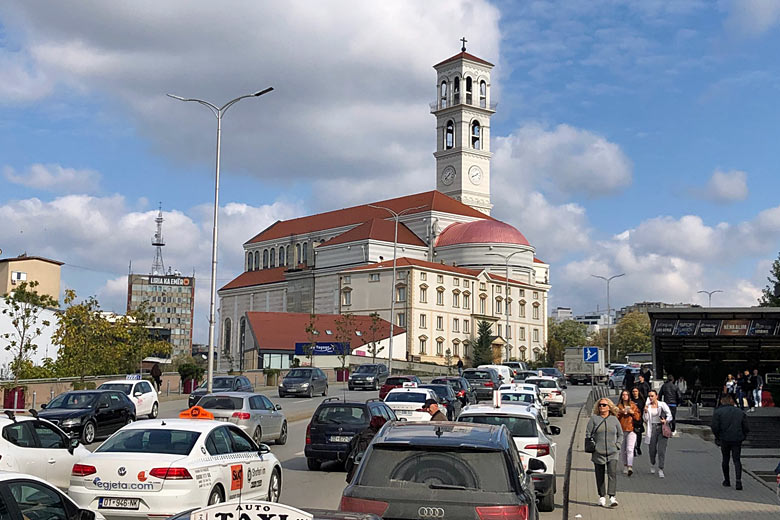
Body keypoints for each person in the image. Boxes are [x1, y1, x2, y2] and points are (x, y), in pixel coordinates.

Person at [585, 397, 623, 508]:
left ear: (609, 407)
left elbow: (620, 434)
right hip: (598, 452)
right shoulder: (594, 419)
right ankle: (601, 496)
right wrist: (594, 446)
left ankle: (612, 497)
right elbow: (588, 434)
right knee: (599, 474)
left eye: (604, 405)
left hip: (613, 452)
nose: (602, 407)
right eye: (600, 405)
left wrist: (618, 445)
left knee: (612, 474)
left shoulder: (614, 419)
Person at [711, 394, 749, 490]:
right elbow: (746, 427)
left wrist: (717, 437)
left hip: (724, 438)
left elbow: (715, 427)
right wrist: (743, 436)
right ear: (731, 401)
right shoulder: (740, 412)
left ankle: (727, 480)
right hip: (737, 438)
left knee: (725, 459)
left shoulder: (718, 412)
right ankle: (738, 481)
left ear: (721, 401)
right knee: (737, 460)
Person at [345, 416, 387, 482]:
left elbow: (347, 453)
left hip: (354, 474)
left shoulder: (360, 435)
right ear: (380, 427)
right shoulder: (373, 440)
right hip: (365, 475)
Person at [643, 389, 673, 478]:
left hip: (662, 428)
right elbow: (645, 419)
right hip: (651, 428)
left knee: (661, 450)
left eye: (652, 396)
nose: (650, 398)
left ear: (657, 396)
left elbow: (670, 414)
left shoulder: (662, 404)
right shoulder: (647, 406)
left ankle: (661, 469)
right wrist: (645, 412)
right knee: (652, 449)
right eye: (649, 396)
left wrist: (666, 420)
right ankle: (652, 464)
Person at [617, 390, 640, 476]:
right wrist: (620, 412)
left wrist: (632, 412)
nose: (625, 396)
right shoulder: (619, 406)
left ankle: (630, 466)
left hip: (631, 429)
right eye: (623, 394)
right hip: (621, 430)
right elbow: (615, 417)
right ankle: (625, 465)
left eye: (626, 394)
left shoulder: (633, 405)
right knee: (623, 450)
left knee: (630, 449)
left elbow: (638, 417)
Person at [630, 387, 645, 457]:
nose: (634, 393)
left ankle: (638, 446)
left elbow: (644, 409)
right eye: (633, 391)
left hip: (639, 420)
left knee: (639, 435)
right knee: (632, 435)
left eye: (636, 391)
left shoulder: (641, 400)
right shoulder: (630, 400)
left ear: (638, 392)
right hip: (631, 420)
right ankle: (632, 449)